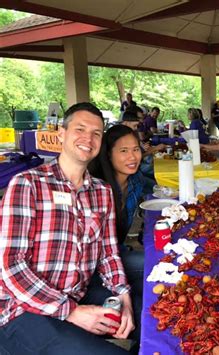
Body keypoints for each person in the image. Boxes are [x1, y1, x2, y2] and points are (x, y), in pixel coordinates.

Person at [0, 102, 136, 354]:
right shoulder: (28, 184)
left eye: (96, 133)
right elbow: (10, 266)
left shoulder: (101, 191)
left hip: (76, 293)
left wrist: (123, 295)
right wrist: (71, 312)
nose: (88, 138)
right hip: (22, 309)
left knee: (152, 313)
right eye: (80, 129)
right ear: (61, 134)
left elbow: (108, 254)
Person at [88, 125, 145, 315]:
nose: (132, 157)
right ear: (108, 154)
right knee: (152, 267)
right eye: (123, 151)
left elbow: (155, 190)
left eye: (136, 149)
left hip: (118, 254)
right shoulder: (95, 189)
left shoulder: (135, 181)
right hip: (95, 265)